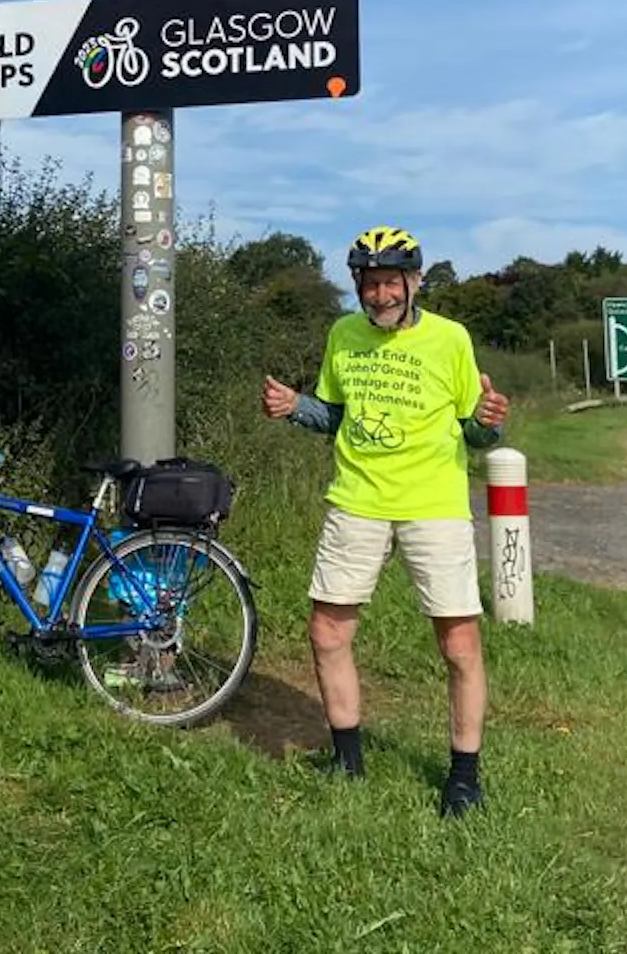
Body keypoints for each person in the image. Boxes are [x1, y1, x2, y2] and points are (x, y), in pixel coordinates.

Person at [260, 224, 511, 818]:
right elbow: (335, 415)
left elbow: (474, 430)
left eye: (390, 283)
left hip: (434, 506)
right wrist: (296, 407)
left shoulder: (451, 340)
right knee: (327, 632)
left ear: (414, 282)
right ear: (358, 286)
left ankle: (464, 775)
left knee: (458, 645)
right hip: (357, 501)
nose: (380, 296)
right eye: (370, 285)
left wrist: (490, 420)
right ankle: (347, 764)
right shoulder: (342, 335)